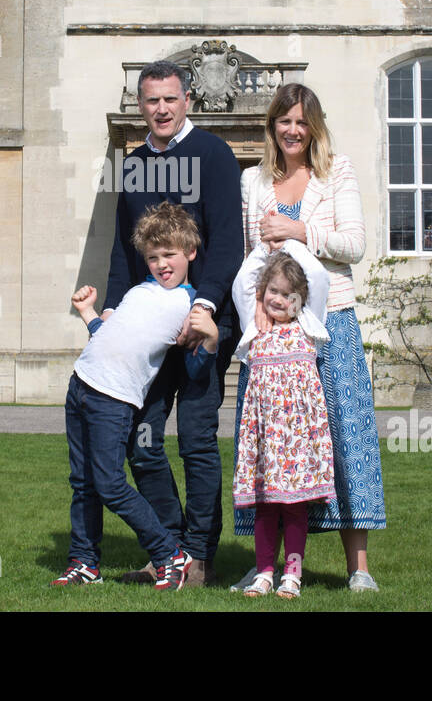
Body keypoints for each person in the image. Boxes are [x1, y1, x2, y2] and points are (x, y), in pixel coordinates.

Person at [233, 82, 387, 593]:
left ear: (313, 126)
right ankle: (267, 568)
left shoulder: (335, 170)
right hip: (274, 335)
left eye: (302, 121)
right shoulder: (253, 181)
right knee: (270, 441)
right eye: (284, 121)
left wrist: (301, 233)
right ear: (272, 126)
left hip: (331, 324)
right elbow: (250, 261)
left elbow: (356, 245)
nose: (293, 130)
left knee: (346, 437)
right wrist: (254, 316)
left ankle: (358, 568)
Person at [103, 60, 243, 586]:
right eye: (150, 100)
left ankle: (201, 558)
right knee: (141, 436)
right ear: (140, 104)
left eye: (169, 99)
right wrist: (114, 310)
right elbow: (123, 248)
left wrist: (205, 307)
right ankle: (168, 550)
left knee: (196, 440)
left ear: (187, 100)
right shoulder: (134, 163)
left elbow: (229, 240)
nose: (160, 109)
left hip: (207, 320)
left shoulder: (214, 154)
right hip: (148, 324)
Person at [55, 202, 219, 590]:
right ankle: (84, 563)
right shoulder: (136, 292)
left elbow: (195, 370)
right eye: (153, 257)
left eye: (170, 255)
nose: (162, 264)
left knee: (110, 483)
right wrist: (88, 313)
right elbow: (110, 338)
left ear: (191, 253)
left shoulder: (189, 306)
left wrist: (210, 338)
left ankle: (170, 554)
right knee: (83, 482)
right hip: (80, 386)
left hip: (114, 400)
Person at [230, 241, 336, 598]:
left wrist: (290, 242)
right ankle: (263, 571)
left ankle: (292, 572)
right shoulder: (253, 327)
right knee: (265, 504)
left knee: (294, 505)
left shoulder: (310, 325)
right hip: (265, 436)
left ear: (300, 299)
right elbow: (242, 281)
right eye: (272, 291)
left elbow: (319, 275)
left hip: (298, 436)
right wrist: (266, 248)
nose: (278, 299)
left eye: (287, 294)